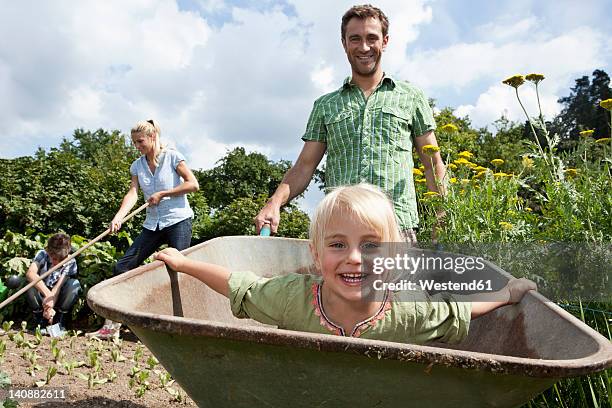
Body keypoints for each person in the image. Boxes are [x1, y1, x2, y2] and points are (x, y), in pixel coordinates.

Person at [156, 184, 536, 344]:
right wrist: (185, 263)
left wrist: (505, 293)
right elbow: (241, 284)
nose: (355, 257)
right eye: (338, 244)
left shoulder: (409, 309)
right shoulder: (293, 297)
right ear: (317, 256)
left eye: (371, 246)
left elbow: (456, 309)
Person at [255, 4, 446, 245]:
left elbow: (432, 163)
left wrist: (442, 214)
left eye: (372, 38)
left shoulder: (411, 97)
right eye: (355, 38)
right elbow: (304, 167)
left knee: (399, 285)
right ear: (344, 43)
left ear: (385, 42)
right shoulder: (326, 105)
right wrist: (274, 203)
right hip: (339, 230)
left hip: (395, 228)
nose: (364, 47)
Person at [87, 119, 199, 340]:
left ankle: (179, 329)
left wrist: (164, 194)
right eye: (134, 142)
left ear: (153, 137)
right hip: (153, 224)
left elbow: (193, 184)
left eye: (140, 141)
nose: (137, 146)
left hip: (178, 221)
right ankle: (112, 327)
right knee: (123, 266)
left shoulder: (173, 157)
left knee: (177, 270)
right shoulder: (137, 165)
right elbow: (133, 193)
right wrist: (118, 217)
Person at [25, 233, 82, 335]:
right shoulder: (42, 254)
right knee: (30, 284)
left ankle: (59, 320)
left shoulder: (70, 261)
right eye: (54, 258)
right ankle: (39, 320)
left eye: (60, 259)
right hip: (41, 293)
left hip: (58, 296)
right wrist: (48, 295)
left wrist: (50, 305)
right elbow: (30, 273)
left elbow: (57, 288)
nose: (56, 262)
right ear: (49, 251)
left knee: (74, 284)